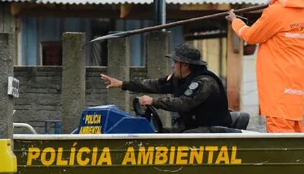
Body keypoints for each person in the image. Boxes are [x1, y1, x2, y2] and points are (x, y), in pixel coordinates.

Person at [225, 0, 304, 133]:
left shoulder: (277, 11)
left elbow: (251, 36)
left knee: (279, 132)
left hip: (278, 82)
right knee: (295, 125)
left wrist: (235, 21)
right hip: (296, 82)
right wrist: (273, 6)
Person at [100, 43, 234, 133]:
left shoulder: (204, 82)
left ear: (185, 65)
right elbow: (156, 85)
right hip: (193, 127)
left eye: (175, 63)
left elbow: (183, 103)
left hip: (212, 130)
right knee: (162, 134)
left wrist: (153, 101)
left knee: (177, 140)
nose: (173, 66)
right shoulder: (181, 79)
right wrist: (123, 84)